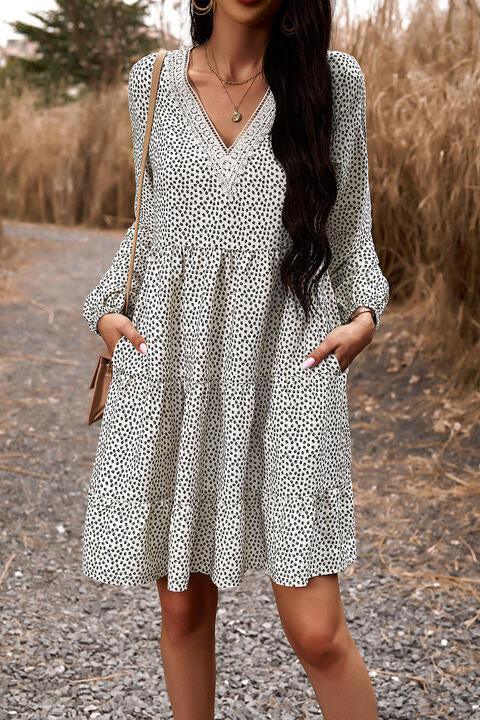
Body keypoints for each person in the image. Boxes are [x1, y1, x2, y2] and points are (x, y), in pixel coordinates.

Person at [81, 0, 390, 717]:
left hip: (291, 364)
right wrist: (106, 308)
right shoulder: (151, 80)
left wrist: (365, 315)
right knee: (184, 613)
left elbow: (350, 230)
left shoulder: (332, 82)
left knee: (317, 634)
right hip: (177, 363)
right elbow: (148, 226)